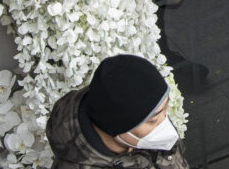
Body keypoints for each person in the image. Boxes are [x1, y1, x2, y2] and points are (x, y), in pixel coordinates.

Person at [47, 53, 187, 169]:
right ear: (116, 126)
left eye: (165, 108)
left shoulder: (141, 131)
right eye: (153, 120)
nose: (165, 122)